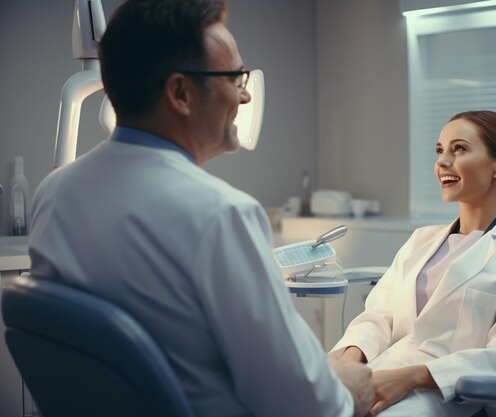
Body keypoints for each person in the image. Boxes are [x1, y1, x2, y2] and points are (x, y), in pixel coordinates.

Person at [27, 1, 374, 416]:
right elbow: (304, 406)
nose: (246, 96)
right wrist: (350, 388)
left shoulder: (53, 194)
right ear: (180, 93)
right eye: (235, 78)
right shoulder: (220, 214)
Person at [329, 110, 496, 417]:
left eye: (458, 149)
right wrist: (348, 362)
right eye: (440, 150)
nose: (442, 162)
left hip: (442, 391)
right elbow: (379, 316)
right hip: (381, 371)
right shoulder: (422, 240)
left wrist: (411, 377)